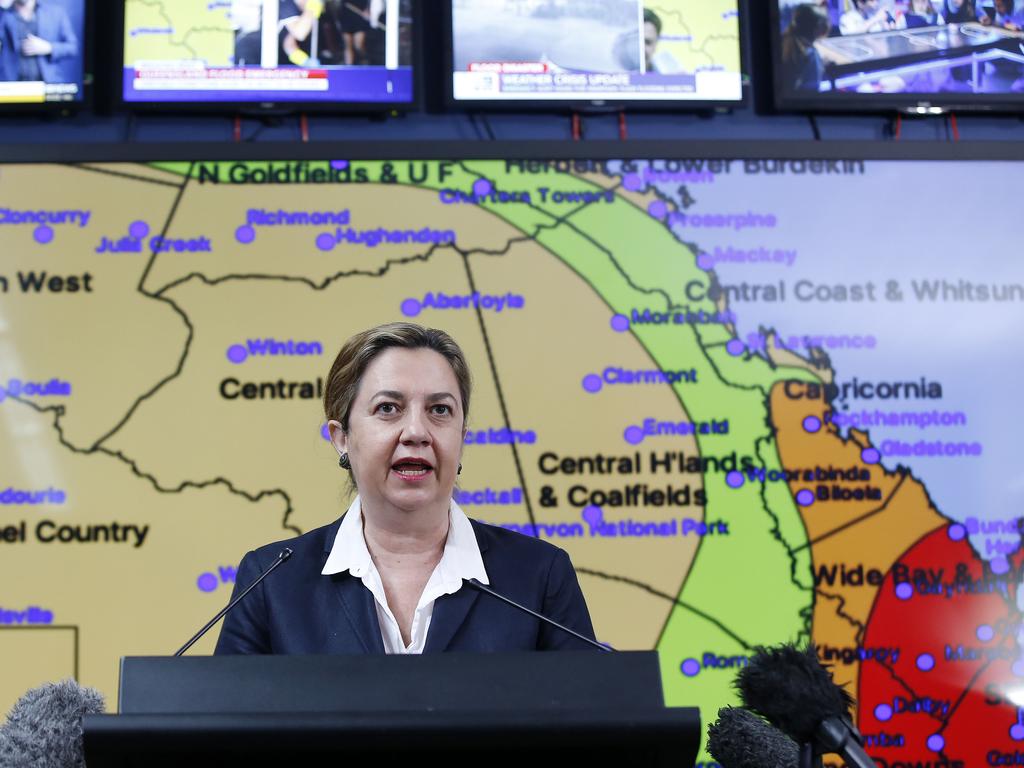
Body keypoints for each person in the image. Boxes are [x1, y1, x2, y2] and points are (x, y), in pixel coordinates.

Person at [215, 322, 597, 655]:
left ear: (461, 437)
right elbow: (227, 734)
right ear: (341, 437)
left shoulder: (539, 577)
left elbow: (589, 728)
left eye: (440, 410)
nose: (417, 432)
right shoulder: (272, 582)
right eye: (388, 408)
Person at [0, 0, 77, 84]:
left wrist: (49, 47)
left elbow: (73, 48)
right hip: (10, 85)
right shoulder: (4, 13)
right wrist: (2, 9)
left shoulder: (56, 12)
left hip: (48, 85)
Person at [781, 4, 830, 91]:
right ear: (818, 27)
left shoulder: (785, 40)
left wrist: (820, 64)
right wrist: (817, 64)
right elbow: (812, 93)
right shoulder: (811, 55)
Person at [839, 0, 905, 34]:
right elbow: (853, 33)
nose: (876, 3)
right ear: (860, 3)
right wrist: (876, 18)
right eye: (872, 0)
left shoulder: (873, 14)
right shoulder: (847, 18)